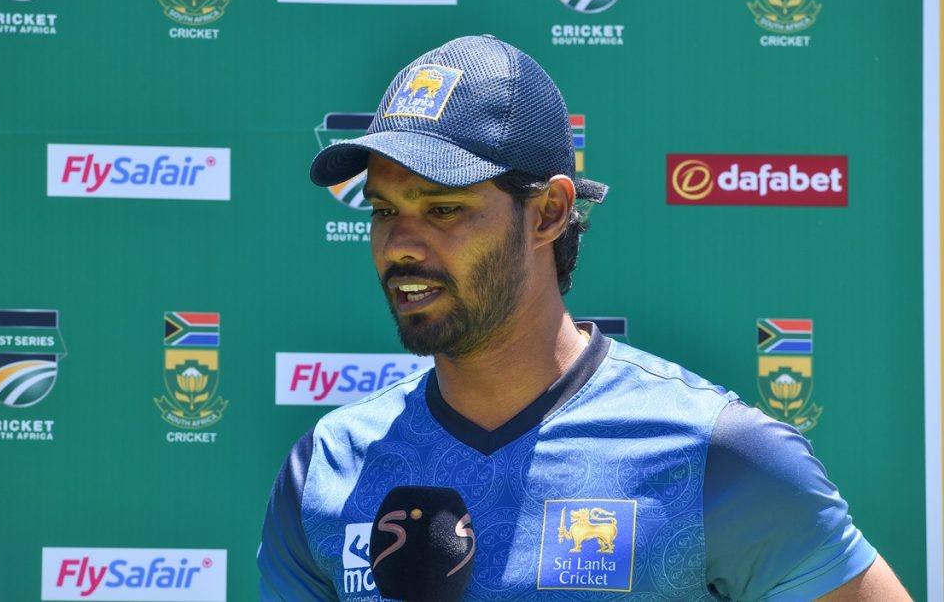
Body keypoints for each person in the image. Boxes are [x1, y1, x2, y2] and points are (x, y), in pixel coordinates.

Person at [257, 35, 910, 600]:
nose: (401, 241)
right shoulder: (327, 467)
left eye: (443, 208)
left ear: (546, 213)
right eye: (382, 209)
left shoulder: (717, 453)